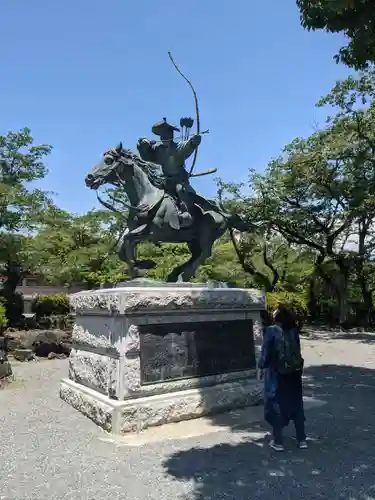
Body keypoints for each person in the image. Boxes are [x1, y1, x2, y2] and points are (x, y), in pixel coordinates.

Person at [257, 305, 307, 451]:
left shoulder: (272, 330)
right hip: (294, 372)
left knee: (276, 404)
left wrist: (261, 367)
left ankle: (278, 442)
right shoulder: (294, 331)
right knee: (296, 403)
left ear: (277, 317)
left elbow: (266, 353)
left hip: (277, 373)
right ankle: (302, 439)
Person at [136, 118, 201, 227]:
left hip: (178, 179)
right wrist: (143, 145)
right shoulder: (157, 149)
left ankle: (185, 213)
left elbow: (188, 146)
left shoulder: (178, 146)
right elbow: (146, 156)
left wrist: (193, 142)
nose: (163, 138)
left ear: (171, 135)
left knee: (180, 189)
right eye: (162, 136)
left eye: (166, 135)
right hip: (163, 180)